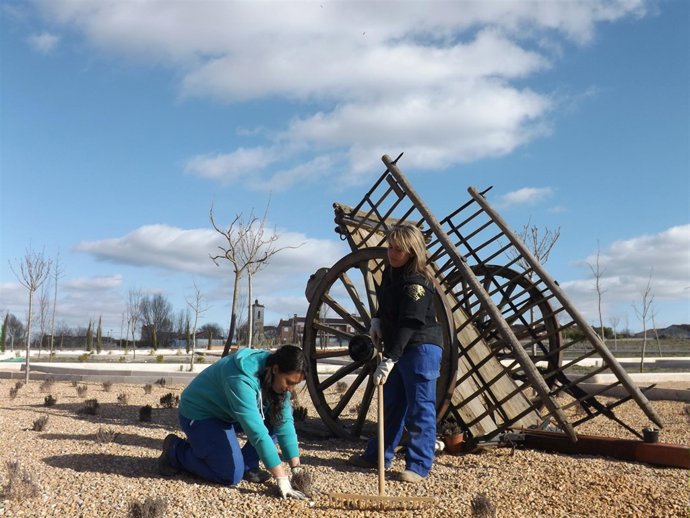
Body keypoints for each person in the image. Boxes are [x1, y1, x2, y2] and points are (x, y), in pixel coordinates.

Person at [348, 223, 443, 483]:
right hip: (398, 346)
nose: (391, 253)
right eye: (390, 247)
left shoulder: (417, 282)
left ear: (412, 251)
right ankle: (377, 456)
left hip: (421, 348)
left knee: (420, 408)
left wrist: (390, 358)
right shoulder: (392, 273)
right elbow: (386, 306)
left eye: (398, 249)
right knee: (392, 404)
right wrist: (377, 319)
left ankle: (419, 466)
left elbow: (410, 323)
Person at [158, 344, 307, 499]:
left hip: (229, 412)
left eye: (295, 384)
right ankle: (175, 451)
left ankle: (248, 465)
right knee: (229, 475)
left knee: (277, 418)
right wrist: (281, 477)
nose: (291, 389)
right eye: (289, 382)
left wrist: (296, 468)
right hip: (201, 413)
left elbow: (284, 423)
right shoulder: (241, 378)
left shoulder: (274, 376)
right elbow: (257, 432)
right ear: (276, 369)